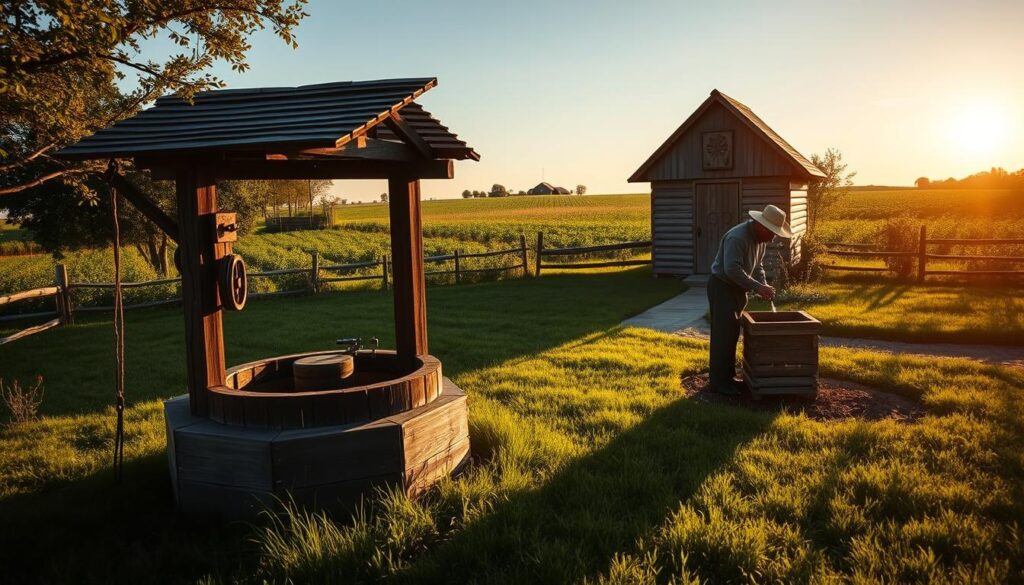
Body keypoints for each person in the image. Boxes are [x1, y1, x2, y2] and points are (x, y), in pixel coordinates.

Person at [707, 204, 792, 395]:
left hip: (736, 289)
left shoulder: (759, 240)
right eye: (773, 233)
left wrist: (763, 283)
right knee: (723, 336)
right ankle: (718, 384)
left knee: (731, 334)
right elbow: (732, 270)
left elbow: (758, 265)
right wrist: (756, 286)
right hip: (722, 287)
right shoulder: (737, 238)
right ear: (762, 226)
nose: (774, 237)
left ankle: (726, 378)